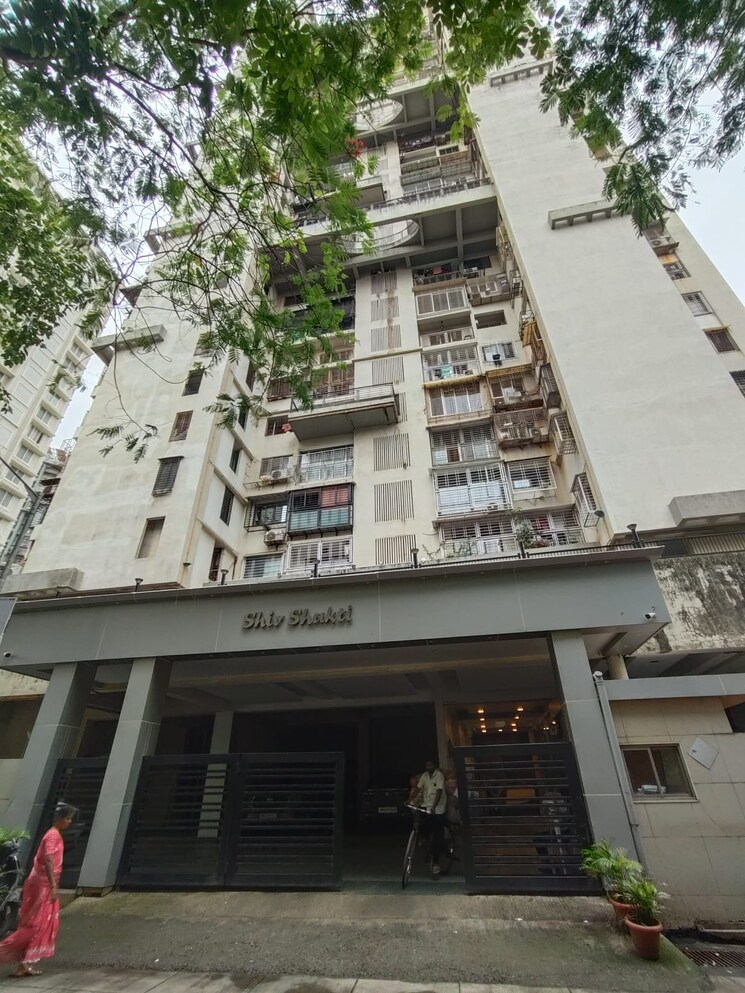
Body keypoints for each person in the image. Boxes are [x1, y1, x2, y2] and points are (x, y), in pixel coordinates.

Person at [0, 802, 77, 978]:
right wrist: (52, 885)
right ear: (59, 819)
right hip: (42, 886)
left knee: (40, 923)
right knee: (36, 924)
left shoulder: (54, 835)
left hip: (43, 884)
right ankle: (12, 954)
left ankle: (25, 964)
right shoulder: (52, 836)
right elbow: (48, 859)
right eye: (67, 818)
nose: (69, 822)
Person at [416, 760, 446, 876]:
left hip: (438, 809)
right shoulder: (424, 776)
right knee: (422, 826)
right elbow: (418, 789)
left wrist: (434, 806)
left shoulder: (439, 776)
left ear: (434, 766)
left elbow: (439, 792)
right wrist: (410, 800)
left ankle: (436, 863)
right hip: (427, 806)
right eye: (427, 765)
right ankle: (426, 843)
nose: (428, 767)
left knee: (437, 835)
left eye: (430, 765)